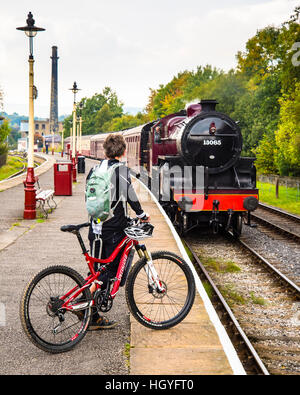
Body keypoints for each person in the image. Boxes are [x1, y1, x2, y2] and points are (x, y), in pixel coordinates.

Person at [86, 133, 149, 330]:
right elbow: (131, 198)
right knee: (111, 271)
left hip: (95, 227)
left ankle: (92, 315)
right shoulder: (120, 170)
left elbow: (89, 198)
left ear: (105, 151)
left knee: (97, 272)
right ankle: (84, 300)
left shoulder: (94, 169)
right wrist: (142, 215)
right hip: (114, 230)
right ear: (123, 151)